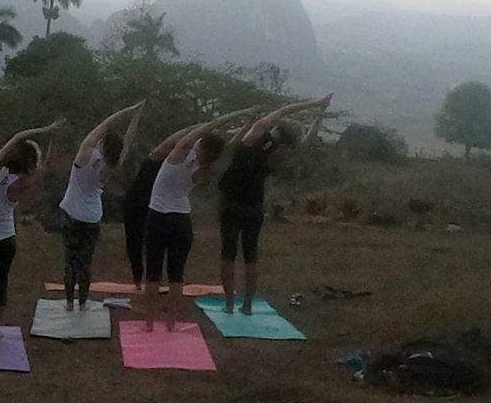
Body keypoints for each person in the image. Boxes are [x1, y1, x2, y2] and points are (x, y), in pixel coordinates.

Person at [143, 106, 259, 331]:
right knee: (177, 275)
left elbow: (205, 129)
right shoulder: (206, 168)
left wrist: (237, 113)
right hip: (181, 222)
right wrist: (246, 126)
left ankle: (149, 324)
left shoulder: (178, 155)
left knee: (153, 274)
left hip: (157, 218)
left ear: (200, 144)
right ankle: (171, 323)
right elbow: (229, 149)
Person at [218, 93, 333, 313]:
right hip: (254, 205)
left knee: (228, 253)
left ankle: (229, 304)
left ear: (276, 127)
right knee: (251, 253)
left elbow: (283, 111)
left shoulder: (254, 138)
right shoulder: (280, 153)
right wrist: (320, 115)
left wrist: (316, 102)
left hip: (231, 202)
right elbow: (305, 142)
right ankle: (248, 305)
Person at [0, 118, 63, 341]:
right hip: (4, 240)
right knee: (0, 283)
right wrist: (53, 138)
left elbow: (17, 137)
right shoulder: (22, 182)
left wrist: (45, 128)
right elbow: (47, 166)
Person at [58, 101, 144, 310]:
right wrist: (135, 118)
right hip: (92, 217)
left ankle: (69, 303)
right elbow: (128, 143)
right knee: (85, 262)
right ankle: (83, 302)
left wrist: (126, 111)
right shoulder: (112, 165)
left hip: (71, 214)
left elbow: (102, 127)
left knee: (71, 260)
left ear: (102, 144)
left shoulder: (85, 154)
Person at [122, 122, 202, 291]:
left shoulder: (176, 163)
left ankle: (143, 280)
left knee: (147, 247)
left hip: (154, 207)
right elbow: (173, 141)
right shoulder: (160, 159)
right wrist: (200, 127)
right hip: (140, 203)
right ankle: (139, 279)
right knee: (137, 242)